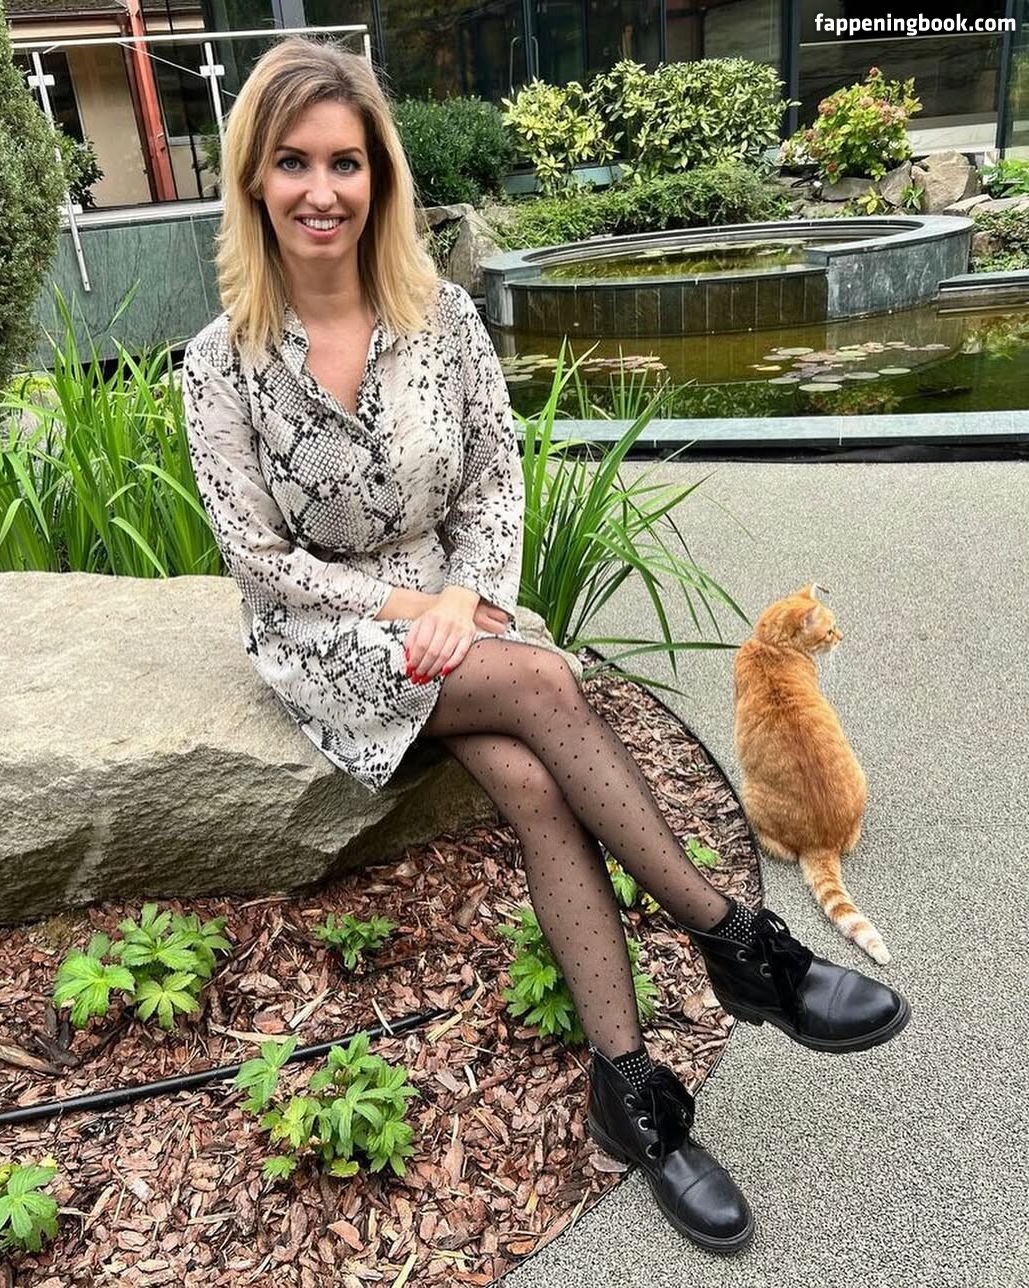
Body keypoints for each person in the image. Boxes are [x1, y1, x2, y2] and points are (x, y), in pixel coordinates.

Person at [180, 36, 911, 1257]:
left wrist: (469, 592)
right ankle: (739, 943)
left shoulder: (444, 318)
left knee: (530, 780)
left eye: (346, 162)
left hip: (455, 609)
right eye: (293, 161)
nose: (321, 189)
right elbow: (256, 554)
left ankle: (631, 1101)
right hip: (326, 634)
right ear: (254, 176)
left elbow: (495, 480)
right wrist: (406, 610)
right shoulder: (220, 363)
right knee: (544, 678)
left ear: (379, 177)